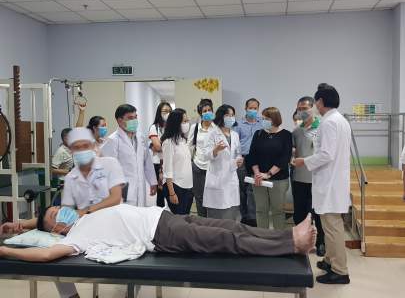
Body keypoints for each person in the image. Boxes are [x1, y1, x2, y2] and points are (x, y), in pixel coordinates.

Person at [2, 127, 126, 298]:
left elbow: (115, 198)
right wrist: (21, 224)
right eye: (77, 146)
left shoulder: (110, 164)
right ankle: (71, 296)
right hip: (83, 229)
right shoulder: (71, 178)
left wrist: (84, 212)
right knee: (55, 254)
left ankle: (129, 289)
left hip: (113, 222)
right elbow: (57, 214)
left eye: (86, 145)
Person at [0, 204, 317, 263]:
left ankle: (288, 235)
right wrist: (4, 250)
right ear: (56, 228)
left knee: (233, 226)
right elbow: (44, 252)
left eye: (59, 207)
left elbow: (38, 223)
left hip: (165, 217)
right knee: (228, 241)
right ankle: (292, 244)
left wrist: (21, 225)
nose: (62, 210)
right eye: (57, 214)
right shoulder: (73, 239)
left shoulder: (83, 215)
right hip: (162, 236)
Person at [293, 84, 351, 284]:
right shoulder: (339, 120)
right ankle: (329, 260)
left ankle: (340, 271)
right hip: (333, 182)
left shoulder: (328, 123)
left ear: (320, 102)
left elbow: (326, 154)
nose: (314, 106)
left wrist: (304, 161)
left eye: (316, 102)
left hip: (330, 184)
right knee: (328, 226)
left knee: (332, 228)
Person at [101, 104, 157, 206]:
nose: (135, 121)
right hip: (122, 189)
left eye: (136, 117)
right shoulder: (112, 140)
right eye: (130, 118)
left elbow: (147, 161)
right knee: (126, 218)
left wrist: (153, 181)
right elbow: (107, 169)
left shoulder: (140, 137)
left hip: (140, 187)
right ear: (119, 120)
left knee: (139, 215)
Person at [292, 96, 325, 257]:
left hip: (316, 179)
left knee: (316, 214)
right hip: (299, 178)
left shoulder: (322, 128)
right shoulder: (296, 131)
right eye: (299, 109)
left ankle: (320, 243)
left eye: (305, 108)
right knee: (299, 213)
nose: (302, 111)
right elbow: (294, 151)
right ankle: (300, 242)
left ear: (312, 108)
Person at [249, 107, 292, 230]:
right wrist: (257, 173)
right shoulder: (258, 134)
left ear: (275, 119)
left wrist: (268, 174)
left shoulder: (286, 135)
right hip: (258, 179)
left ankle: (278, 239)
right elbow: (252, 156)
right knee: (261, 210)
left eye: (266, 118)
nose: (263, 121)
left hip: (278, 179)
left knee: (278, 211)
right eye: (262, 118)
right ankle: (262, 237)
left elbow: (284, 158)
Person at [203, 104, 243, 220]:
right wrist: (215, 150)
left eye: (232, 115)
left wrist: (239, 160)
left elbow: (237, 153)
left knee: (231, 215)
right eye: (227, 115)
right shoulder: (212, 133)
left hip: (231, 178)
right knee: (217, 218)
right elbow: (205, 155)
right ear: (221, 117)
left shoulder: (235, 135)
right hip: (217, 179)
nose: (230, 118)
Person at [234, 98, 262, 227]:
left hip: (257, 160)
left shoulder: (262, 123)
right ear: (245, 108)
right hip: (243, 159)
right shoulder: (238, 124)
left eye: (255, 108)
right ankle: (243, 216)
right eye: (251, 108)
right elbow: (235, 143)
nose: (253, 110)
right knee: (242, 189)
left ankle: (252, 218)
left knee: (253, 189)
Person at [161, 108, 193, 214]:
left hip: (188, 186)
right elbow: (167, 170)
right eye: (184, 121)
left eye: (187, 121)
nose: (187, 124)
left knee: (186, 218)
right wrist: (172, 193)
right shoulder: (168, 142)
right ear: (176, 123)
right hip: (175, 186)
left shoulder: (183, 140)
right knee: (179, 220)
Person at [188, 99, 216, 217]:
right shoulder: (194, 128)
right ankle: (202, 221)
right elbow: (189, 146)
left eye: (209, 110)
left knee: (213, 197)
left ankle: (212, 222)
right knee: (199, 197)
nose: (208, 112)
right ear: (201, 113)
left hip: (213, 167)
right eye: (205, 111)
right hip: (198, 166)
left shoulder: (217, 128)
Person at [149, 102, 173, 207]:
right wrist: (156, 146)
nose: (168, 113)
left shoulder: (173, 127)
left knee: (171, 190)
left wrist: (157, 146)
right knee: (161, 193)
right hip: (159, 164)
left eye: (169, 111)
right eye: (165, 111)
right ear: (159, 113)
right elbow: (157, 147)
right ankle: (160, 215)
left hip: (171, 162)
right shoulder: (154, 127)